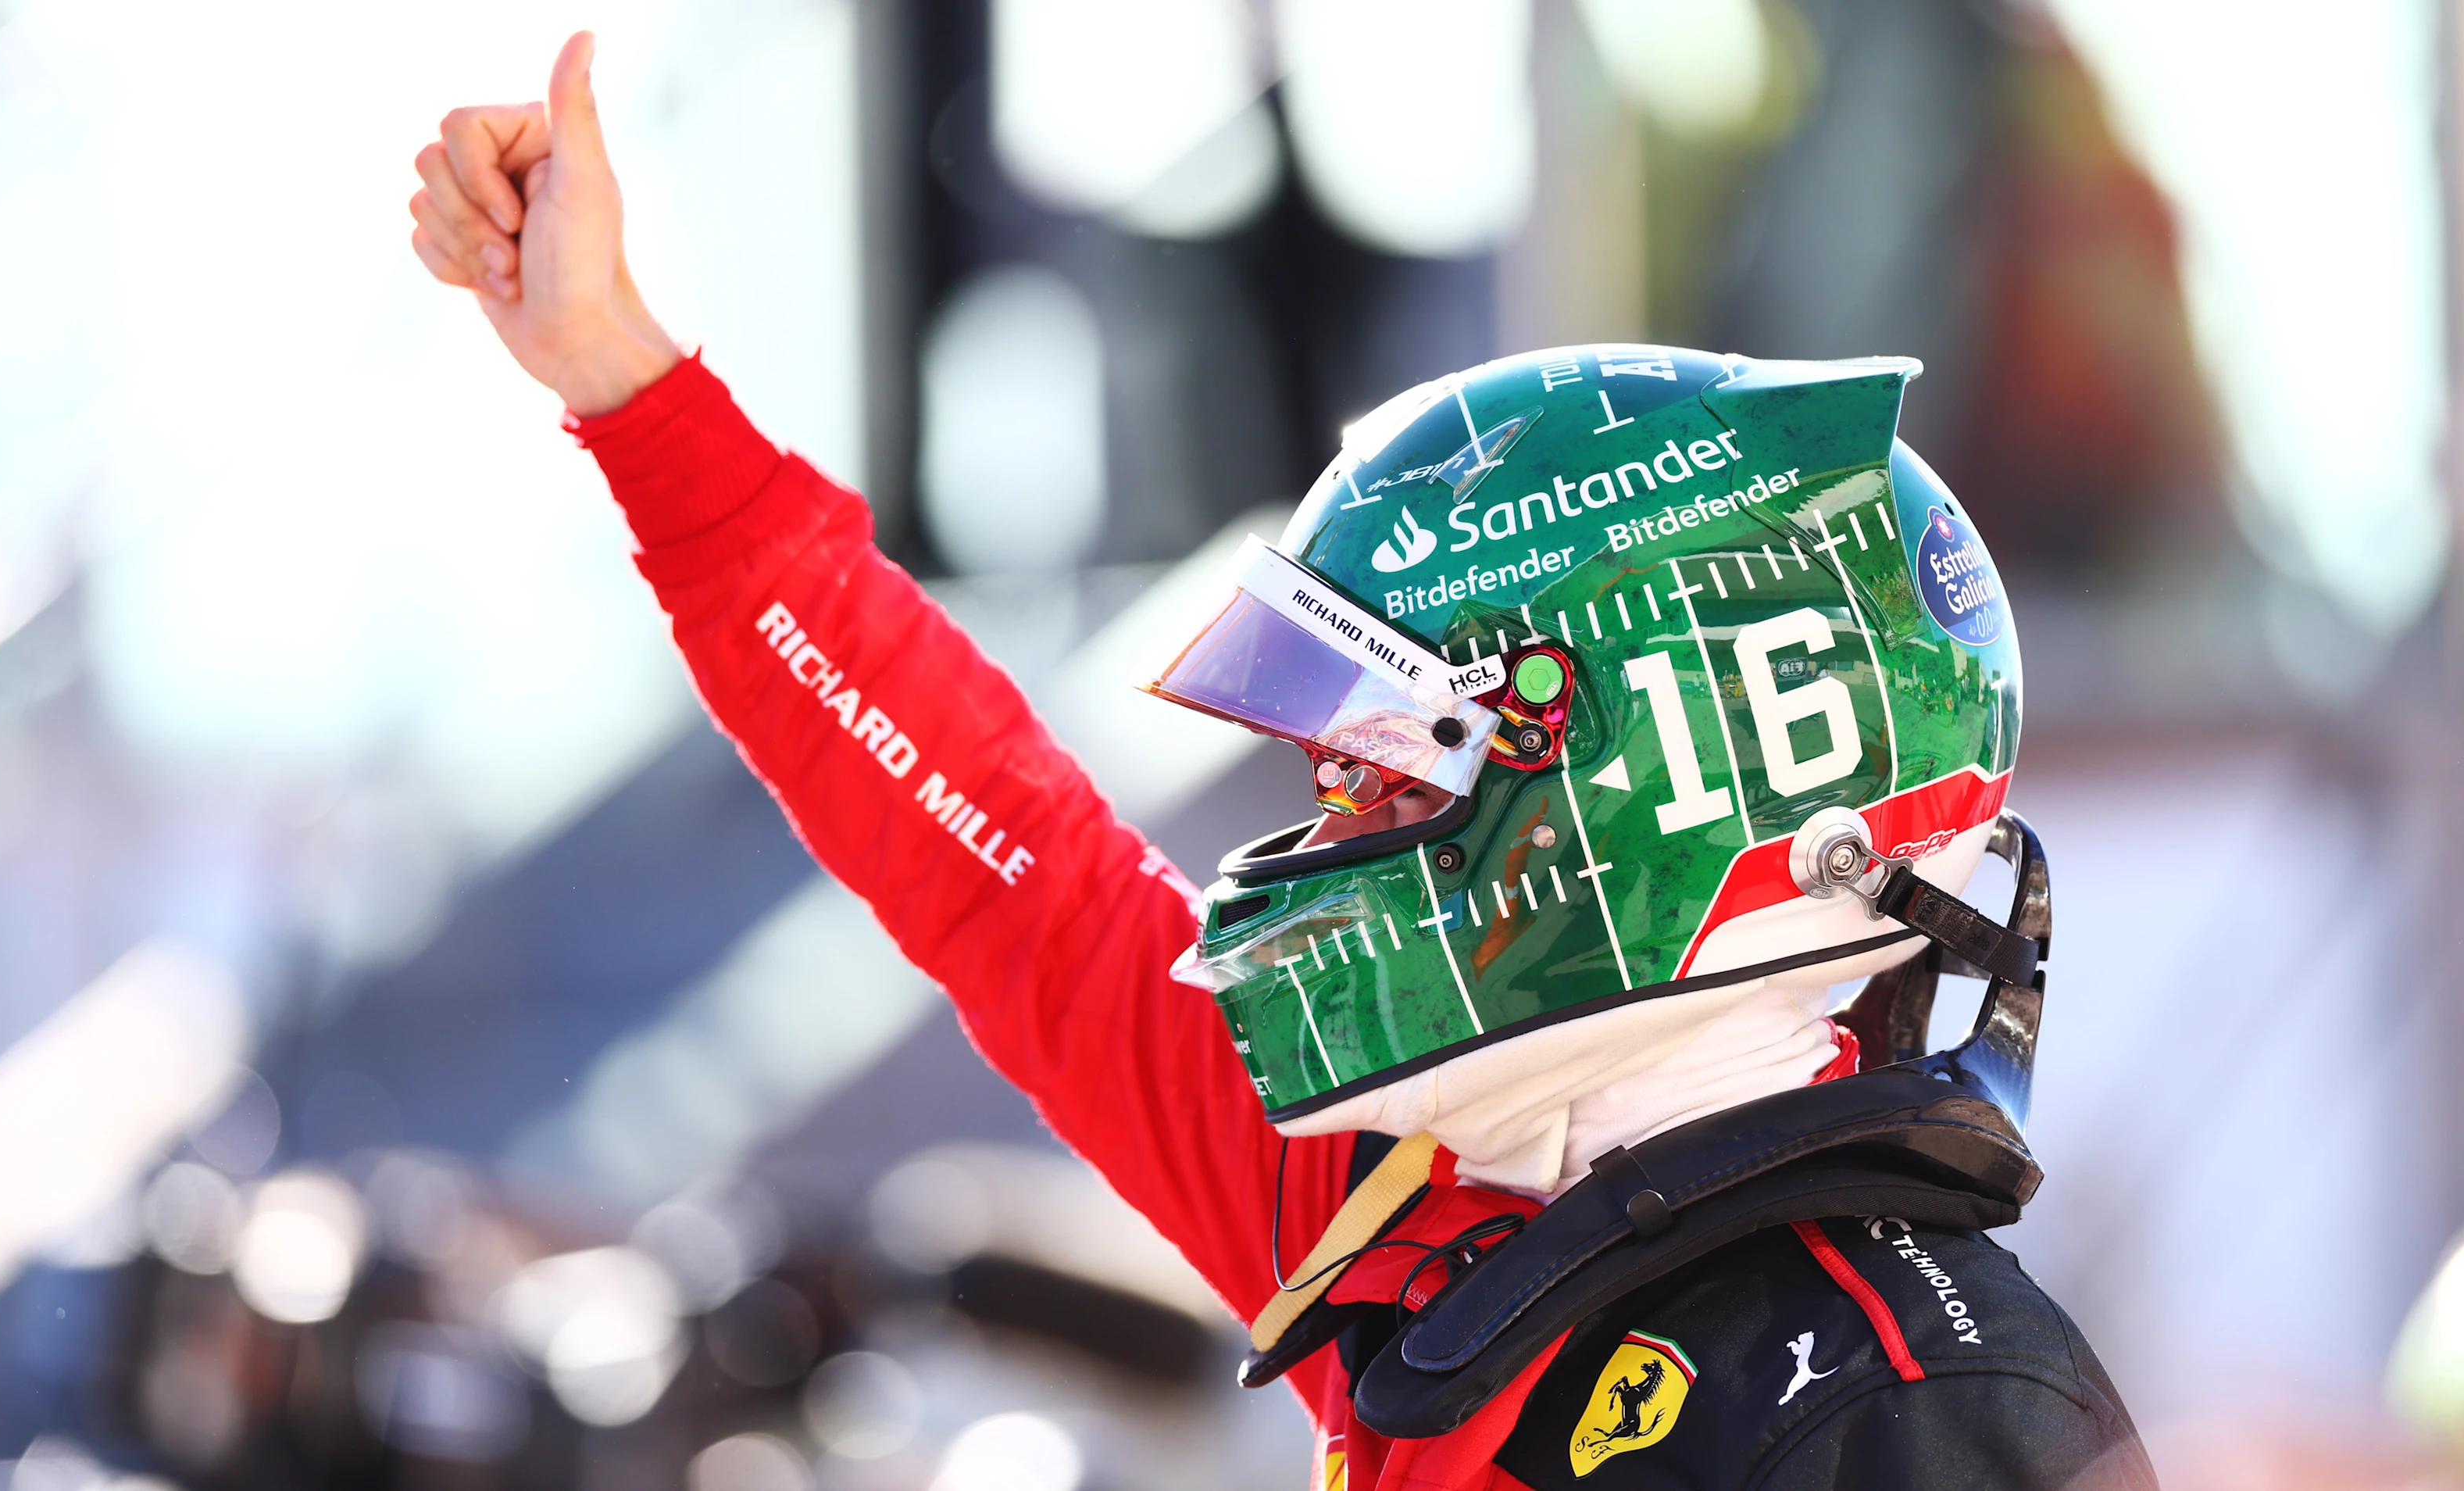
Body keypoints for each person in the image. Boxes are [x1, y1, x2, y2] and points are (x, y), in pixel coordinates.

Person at [409, 34, 2155, 1489]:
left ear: (1653, 785)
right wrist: (624, 383)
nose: (1323, 825)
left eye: (1391, 769)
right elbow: (1005, 867)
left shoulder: (1916, 1406)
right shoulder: (1423, 1204)